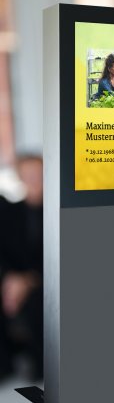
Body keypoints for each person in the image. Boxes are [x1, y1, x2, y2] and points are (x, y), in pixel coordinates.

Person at [0, 155, 44, 380]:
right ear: (20, 177)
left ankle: (42, 368)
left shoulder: (60, 211)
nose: (34, 179)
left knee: (39, 300)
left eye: (38, 174)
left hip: (47, 280)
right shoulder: (8, 212)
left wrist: (28, 280)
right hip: (13, 279)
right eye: (28, 175)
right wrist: (10, 279)